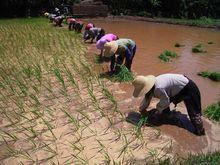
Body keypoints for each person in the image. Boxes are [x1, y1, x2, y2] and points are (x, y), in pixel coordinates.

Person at [132, 74, 205, 136]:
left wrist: (158, 110)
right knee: (163, 105)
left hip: (189, 88)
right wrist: (142, 109)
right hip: (177, 88)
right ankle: (166, 115)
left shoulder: (158, 88)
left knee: (194, 113)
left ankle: (200, 132)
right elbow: (147, 98)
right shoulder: (152, 86)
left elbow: (165, 101)